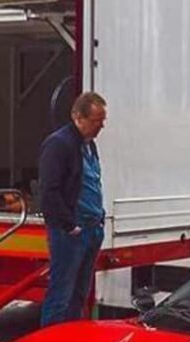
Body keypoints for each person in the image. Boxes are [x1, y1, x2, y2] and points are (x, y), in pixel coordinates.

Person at [39, 92, 107, 327]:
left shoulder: (89, 146)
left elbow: (91, 182)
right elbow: (49, 190)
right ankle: (50, 340)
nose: (101, 126)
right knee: (61, 293)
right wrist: (68, 225)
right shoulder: (59, 145)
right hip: (71, 232)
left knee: (79, 293)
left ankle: (71, 336)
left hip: (92, 227)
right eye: (96, 121)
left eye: (102, 120)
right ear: (79, 117)